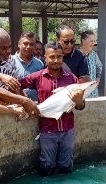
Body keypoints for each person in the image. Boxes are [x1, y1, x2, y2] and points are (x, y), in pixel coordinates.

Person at [19, 41, 86, 176]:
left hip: (68, 130)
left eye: (59, 57)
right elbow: (17, 85)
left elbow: (81, 106)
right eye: (52, 57)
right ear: (45, 57)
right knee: (47, 166)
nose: (56, 60)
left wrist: (79, 102)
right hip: (47, 130)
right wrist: (25, 101)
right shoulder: (38, 77)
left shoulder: (72, 78)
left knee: (66, 166)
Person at [0, 28, 39, 115]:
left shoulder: (10, 60)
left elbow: (15, 87)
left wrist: (26, 103)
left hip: (5, 111)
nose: (9, 51)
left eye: (10, 47)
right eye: (4, 48)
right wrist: (23, 100)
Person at [12, 31, 44, 101]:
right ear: (19, 44)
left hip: (36, 105)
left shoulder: (39, 64)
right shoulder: (10, 62)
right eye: (25, 43)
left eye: (31, 44)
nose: (28, 47)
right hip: (16, 106)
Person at [79, 30, 102, 98]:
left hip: (93, 94)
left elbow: (99, 67)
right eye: (91, 41)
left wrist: (98, 79)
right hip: (81, 95)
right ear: (83, 41)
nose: (93, 43)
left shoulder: (94, 55)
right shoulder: (76, 55)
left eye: (94, 41)